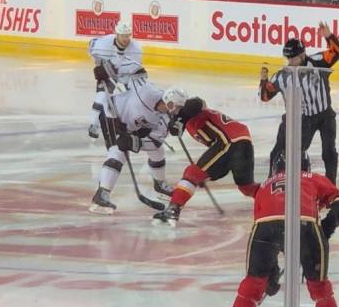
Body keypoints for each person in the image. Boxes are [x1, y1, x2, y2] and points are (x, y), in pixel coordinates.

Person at [220, 153, 339, 307]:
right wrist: (328, 225)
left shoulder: (264, 185)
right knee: (318, 286)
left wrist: (270, 268)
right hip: (305, 223)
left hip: (264, 227)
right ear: (305, 165)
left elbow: (263, 219)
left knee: (253, 283)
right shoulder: (312, 177)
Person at [152, 92, 258, 227]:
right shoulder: (187, 118)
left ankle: (173, 210)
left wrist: (180, 118)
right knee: (247, 187)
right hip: (240, 142)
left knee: (192, 173)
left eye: (170, 104)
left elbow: (195, 103)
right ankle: (274, 198)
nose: (169, 109)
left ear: (178, 102)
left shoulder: (191, 108)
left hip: (230, 142)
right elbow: (175, 129)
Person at [260, 23, 339, 181]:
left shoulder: (318, 61)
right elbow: (265, 96)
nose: (291, 61)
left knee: (329, 151)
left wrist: (329, 36)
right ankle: (274, 184)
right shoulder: (283, 75)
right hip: (305, 118)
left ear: (303, 54)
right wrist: (263, 80)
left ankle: (331, 186)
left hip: (325, 114)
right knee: (291, 151)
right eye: (288, 58)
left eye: (294, 58)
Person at [88, 79, 175, 214]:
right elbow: (132, 77)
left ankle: (159, 184)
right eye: (171, 105)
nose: (173, 110)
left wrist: (134, 142)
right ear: (166, 98)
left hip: (132, 126)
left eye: (177, 108)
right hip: (111, 115)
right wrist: (107, 72)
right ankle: (101, 194)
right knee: (118, 152)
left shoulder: (166, 119)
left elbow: (155, 141)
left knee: (158, 151)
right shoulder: (147, 91)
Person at [87, 21, 144, 138]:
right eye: (122, 35)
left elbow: (133, 68)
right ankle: (93, 124)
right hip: (108, 73)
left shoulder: (136, 48)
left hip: (125, 75)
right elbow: (91, 45)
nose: (125, 39)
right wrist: (99, 66)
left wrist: (115, 72)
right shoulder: (105, 42)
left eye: (127, 35)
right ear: (116, 34)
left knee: (132, 98)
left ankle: (134, 124)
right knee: (101, 96)